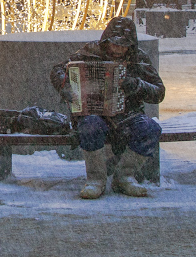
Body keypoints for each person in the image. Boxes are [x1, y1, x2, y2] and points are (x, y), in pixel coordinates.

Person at [49, 16, 165, 200]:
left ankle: (125, 175)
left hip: (128, 114)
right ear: (106, 40)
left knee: (150, 129)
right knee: (90, 125)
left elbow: (159, 92)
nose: (118, 49)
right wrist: (66, 87)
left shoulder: (138, 58)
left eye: (124, 45)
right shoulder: (90, 51)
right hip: (93, 112)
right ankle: (95, 179)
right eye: (114, 43)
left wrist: (135, 85)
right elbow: (58, 70)